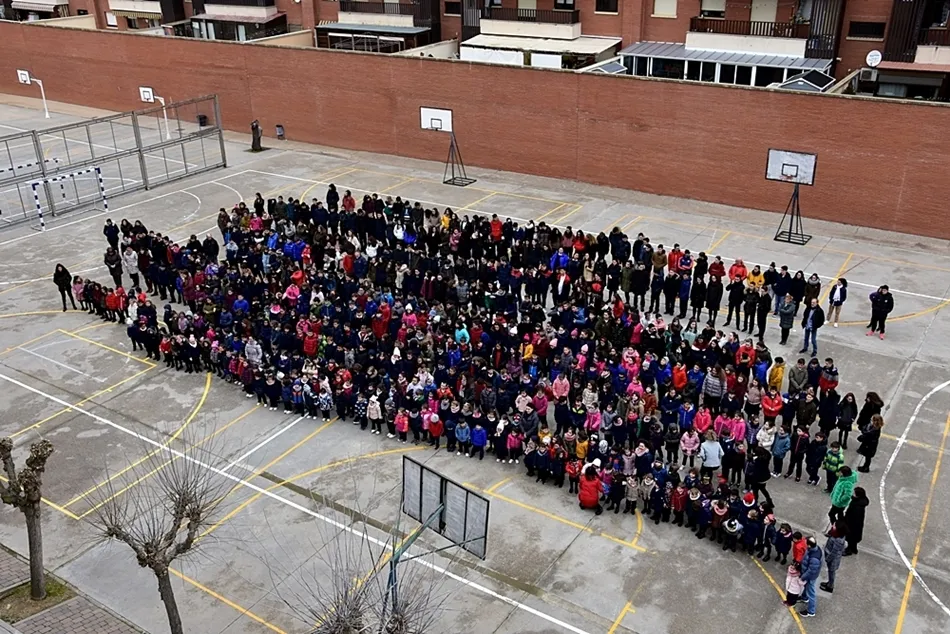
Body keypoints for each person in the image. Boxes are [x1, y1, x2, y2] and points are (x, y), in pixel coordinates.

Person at [798, 536, 823, 618]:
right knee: (807, 587)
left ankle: (811, 611)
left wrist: (803, 577)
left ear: (809, 545)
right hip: (808, 574)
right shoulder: (814, 549)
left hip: (810, 576)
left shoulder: (814, 558)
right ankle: (804, 597)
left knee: (811, 592)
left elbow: (811, 571)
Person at [820, 522, 847, 593]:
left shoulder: (839, 540)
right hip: (830, 556)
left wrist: (827, 559)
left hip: (833, 560)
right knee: (830, 572)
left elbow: (834, 553)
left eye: (835, 526)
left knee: (831, 572)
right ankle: (829, 583)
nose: (833, 526)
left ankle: (830, 586)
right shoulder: (836, 534)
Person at [844, 487, 869, 555]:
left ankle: (849, 550)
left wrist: (846, 521)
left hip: (852, 525)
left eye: (854, 493)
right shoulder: (860, 503)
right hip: (857, 525)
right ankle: (854, 549)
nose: (853, 493)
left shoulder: (857, 506)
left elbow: (852, 516)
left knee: (851, 538)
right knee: (854, 538)